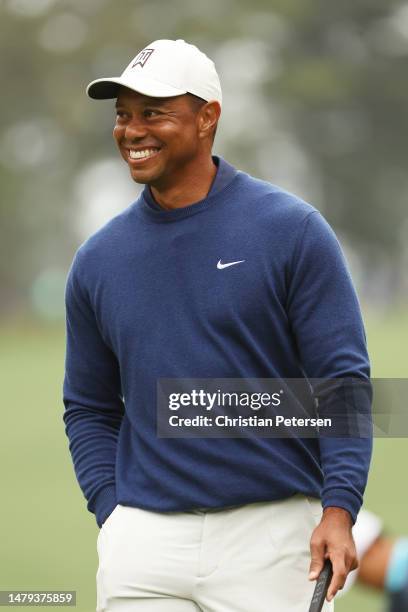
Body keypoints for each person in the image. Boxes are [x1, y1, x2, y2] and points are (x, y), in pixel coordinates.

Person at [62, 39, 373, 611]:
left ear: (208, 118)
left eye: (152, 113)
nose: (132, 131)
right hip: (144, 545)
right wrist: (113, 513)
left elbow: (343, 382)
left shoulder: (292, 231)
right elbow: (89, 407)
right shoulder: (98, 260)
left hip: (273, 539)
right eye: (123, 115)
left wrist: (340, 507)